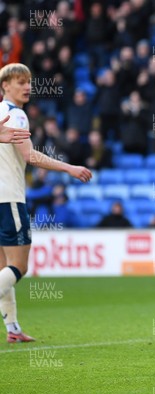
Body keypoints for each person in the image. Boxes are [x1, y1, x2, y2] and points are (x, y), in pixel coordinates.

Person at [0, 63, 92, 343]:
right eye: (19, 82)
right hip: (9, 199)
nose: (26, 87)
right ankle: (13, 328)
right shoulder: (16, 115)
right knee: (19, 267)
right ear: (5, 86)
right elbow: (31, 157)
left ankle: (13, 329)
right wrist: (70, 168)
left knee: (3, 266)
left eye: (28, 81)